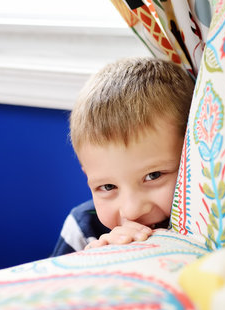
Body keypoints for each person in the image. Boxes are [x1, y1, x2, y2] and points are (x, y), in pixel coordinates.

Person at [51, 57, 195, 256]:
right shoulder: (83, 229)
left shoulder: (203, 224)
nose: (132, 210)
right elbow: (58, 285)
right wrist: (93, 262)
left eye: (153, 176)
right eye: (108, 187)